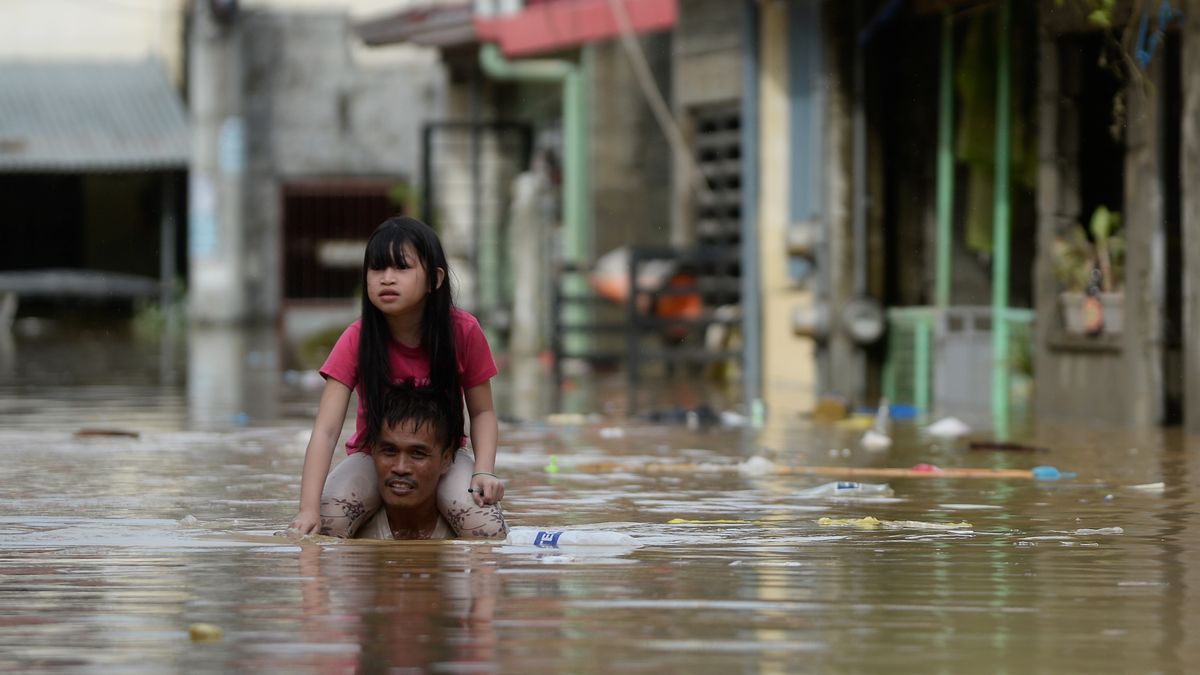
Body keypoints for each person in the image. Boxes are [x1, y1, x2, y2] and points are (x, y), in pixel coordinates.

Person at [287, 216, 507, 539]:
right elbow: (326, 429)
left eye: (401, 268)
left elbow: (483, 412)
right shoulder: (356, 339)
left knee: (487, 530)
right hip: (373, 458)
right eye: (377, 269)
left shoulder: (463, 332)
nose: (387, 279)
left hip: (442, 460)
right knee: (327, 524)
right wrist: (307, 509)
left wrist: (484, 470)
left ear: (435, 279)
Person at [355, 384, 461, 540]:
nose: (400, 468)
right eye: (390, 451)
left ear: (446, 460)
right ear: (372, 451)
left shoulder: (471, 531)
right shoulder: (348, 528)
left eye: (418, 454)